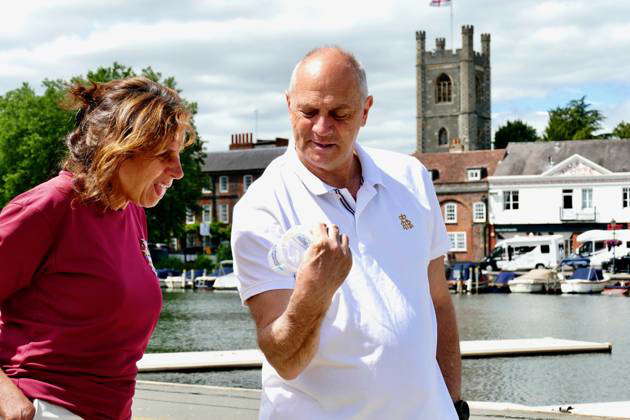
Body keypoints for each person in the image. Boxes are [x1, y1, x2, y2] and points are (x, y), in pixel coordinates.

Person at [231, 47, 467, 419]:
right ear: (289, 105)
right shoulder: (261, 208)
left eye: (339, 114)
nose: (322, 128)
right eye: (308, 112)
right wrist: (315, 292)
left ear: (366, 111)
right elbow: (284, 360)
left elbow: (437, 300)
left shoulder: (410, 177)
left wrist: (454, 404)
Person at [0, 77, 194, 419]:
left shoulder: (132, 212)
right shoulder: (50, 207)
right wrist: (6, 398)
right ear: (118, 148)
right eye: (164, 154)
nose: (178, 171)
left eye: (178, 154)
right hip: (45, 407)